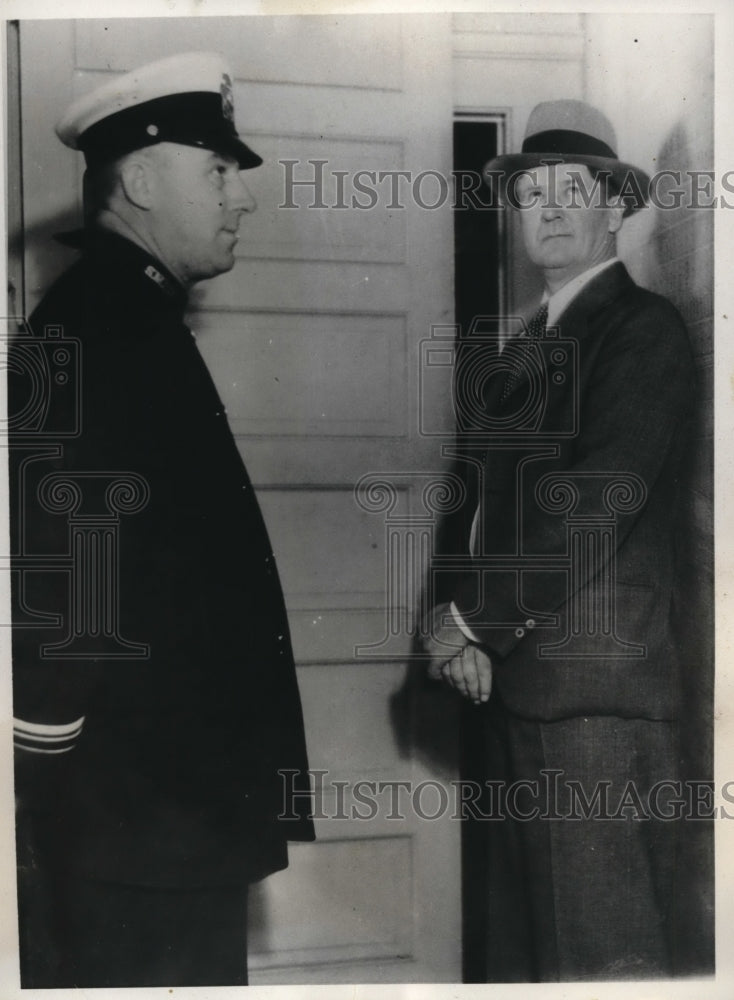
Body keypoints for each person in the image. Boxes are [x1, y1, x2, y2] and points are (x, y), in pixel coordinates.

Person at [10, 52, 314, 988]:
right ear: (139, 181)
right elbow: (65, 568)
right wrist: (50, 765)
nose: (241, 196)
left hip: (165, 810)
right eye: (217, 171)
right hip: (138, 821)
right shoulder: (99, 325)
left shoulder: (124, 313)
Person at [422, 100, 705, 980]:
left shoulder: (641, 331)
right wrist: (451, 616)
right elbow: (469, 501)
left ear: (615, 208)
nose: (543, 208)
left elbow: (593, 501)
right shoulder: (522, 344)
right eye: (529, 191)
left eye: (568, 190)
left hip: (594, 702)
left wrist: (472, 622)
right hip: (523, 683)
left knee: (598, 962)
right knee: (544, 959)